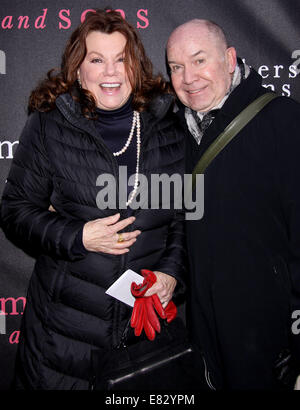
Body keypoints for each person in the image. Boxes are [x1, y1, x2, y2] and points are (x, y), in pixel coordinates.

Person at [0, 9, 186, 390]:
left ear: (136, 64)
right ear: (78, 69)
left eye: (122, 59)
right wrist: (78, 236)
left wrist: (170, 272)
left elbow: (183, 215)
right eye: (97, 60)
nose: (111, 73)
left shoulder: (169, 123)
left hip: (142, 333)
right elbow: (15, 211)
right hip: (62, 338)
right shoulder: (50, 125)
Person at [166, 19, 300, 390]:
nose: (188, 78)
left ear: (229, 59)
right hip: (204, 333)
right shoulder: (177, 130)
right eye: (176, 67)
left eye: (198, 60)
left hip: (269, 337)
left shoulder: (283, 121)